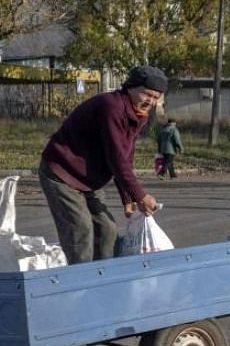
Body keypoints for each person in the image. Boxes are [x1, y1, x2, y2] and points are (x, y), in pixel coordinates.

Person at [39, 65, 163, 264]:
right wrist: (140, 196)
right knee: (81, 231)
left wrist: (128, 196)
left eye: (156, 97)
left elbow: (126, 155)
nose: (150, 101)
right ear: (131, 87)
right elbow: (116, 158)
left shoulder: (138, 113)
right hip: (62, 173)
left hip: (89, 180)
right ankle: (80, 285)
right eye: (147, 94)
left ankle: (104, 279)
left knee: (108, 230)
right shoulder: (112, 107)